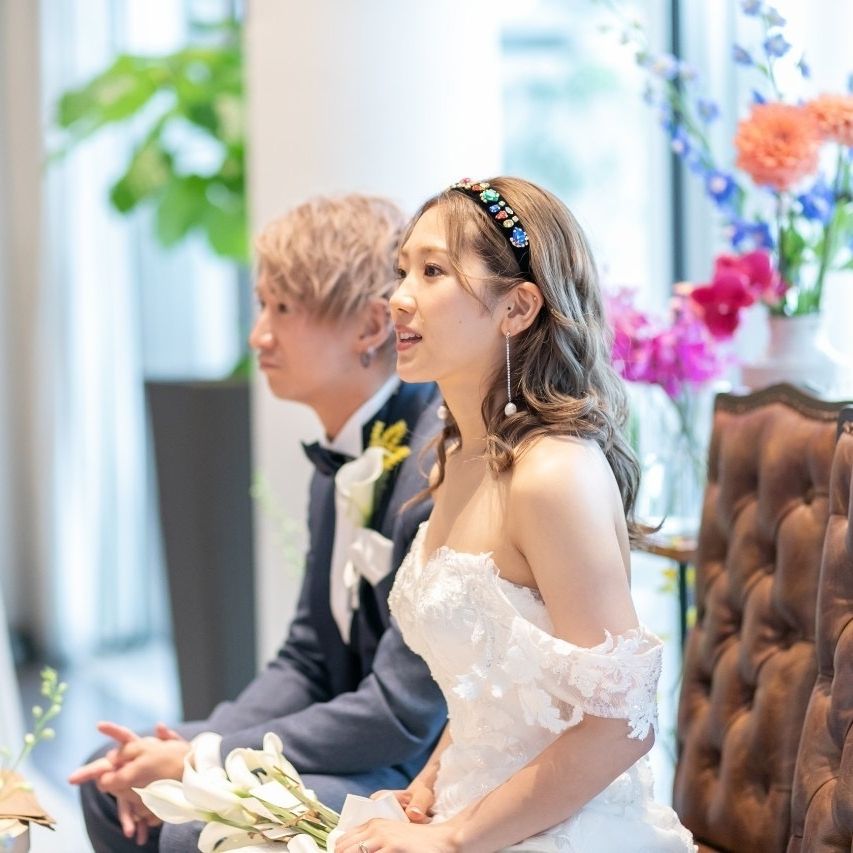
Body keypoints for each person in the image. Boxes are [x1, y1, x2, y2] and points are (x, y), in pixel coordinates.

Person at [70, 194, 447, 853]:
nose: (258, 336)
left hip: (413, 773)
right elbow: (308, 656)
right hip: (350, 749)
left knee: (193, 825)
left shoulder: (435, 467)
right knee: (110, 778)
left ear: (368, 326)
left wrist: (206, 758)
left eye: (283, 309)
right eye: (261, 305)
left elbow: (399, 715)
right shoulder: (341, 455)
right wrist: (197, 743)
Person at [336, 178, 696, 852]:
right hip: (470, 813)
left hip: (566, 829)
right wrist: (432, 781)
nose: (399, 297)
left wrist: (453, 839)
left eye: (433, 271)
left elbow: (621, 726)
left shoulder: (553, 474)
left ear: (518, 306)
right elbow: (498, 685)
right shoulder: (454, 458)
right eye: (402, 270)